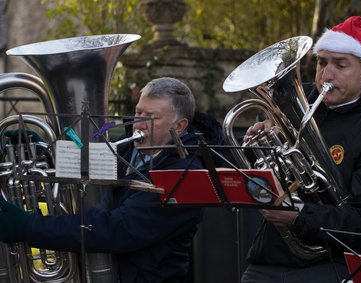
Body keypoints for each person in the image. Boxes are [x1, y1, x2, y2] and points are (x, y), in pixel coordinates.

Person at [0, 77, 223, 282]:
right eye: (138, 112)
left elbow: (119, 229)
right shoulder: (124, 147)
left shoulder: (187, 175)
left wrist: (30, 227)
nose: (139, 124)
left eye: (151, 117)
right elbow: (84, 175)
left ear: (179, 126)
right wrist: (42, 151)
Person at [241, 16, 361, 282]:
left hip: (333, 266)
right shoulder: (295, 104)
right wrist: (256, 146)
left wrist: (298, 216)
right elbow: (261, 178)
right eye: (322, 62)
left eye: (340, 65)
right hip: (269, 258)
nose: (326, 74)